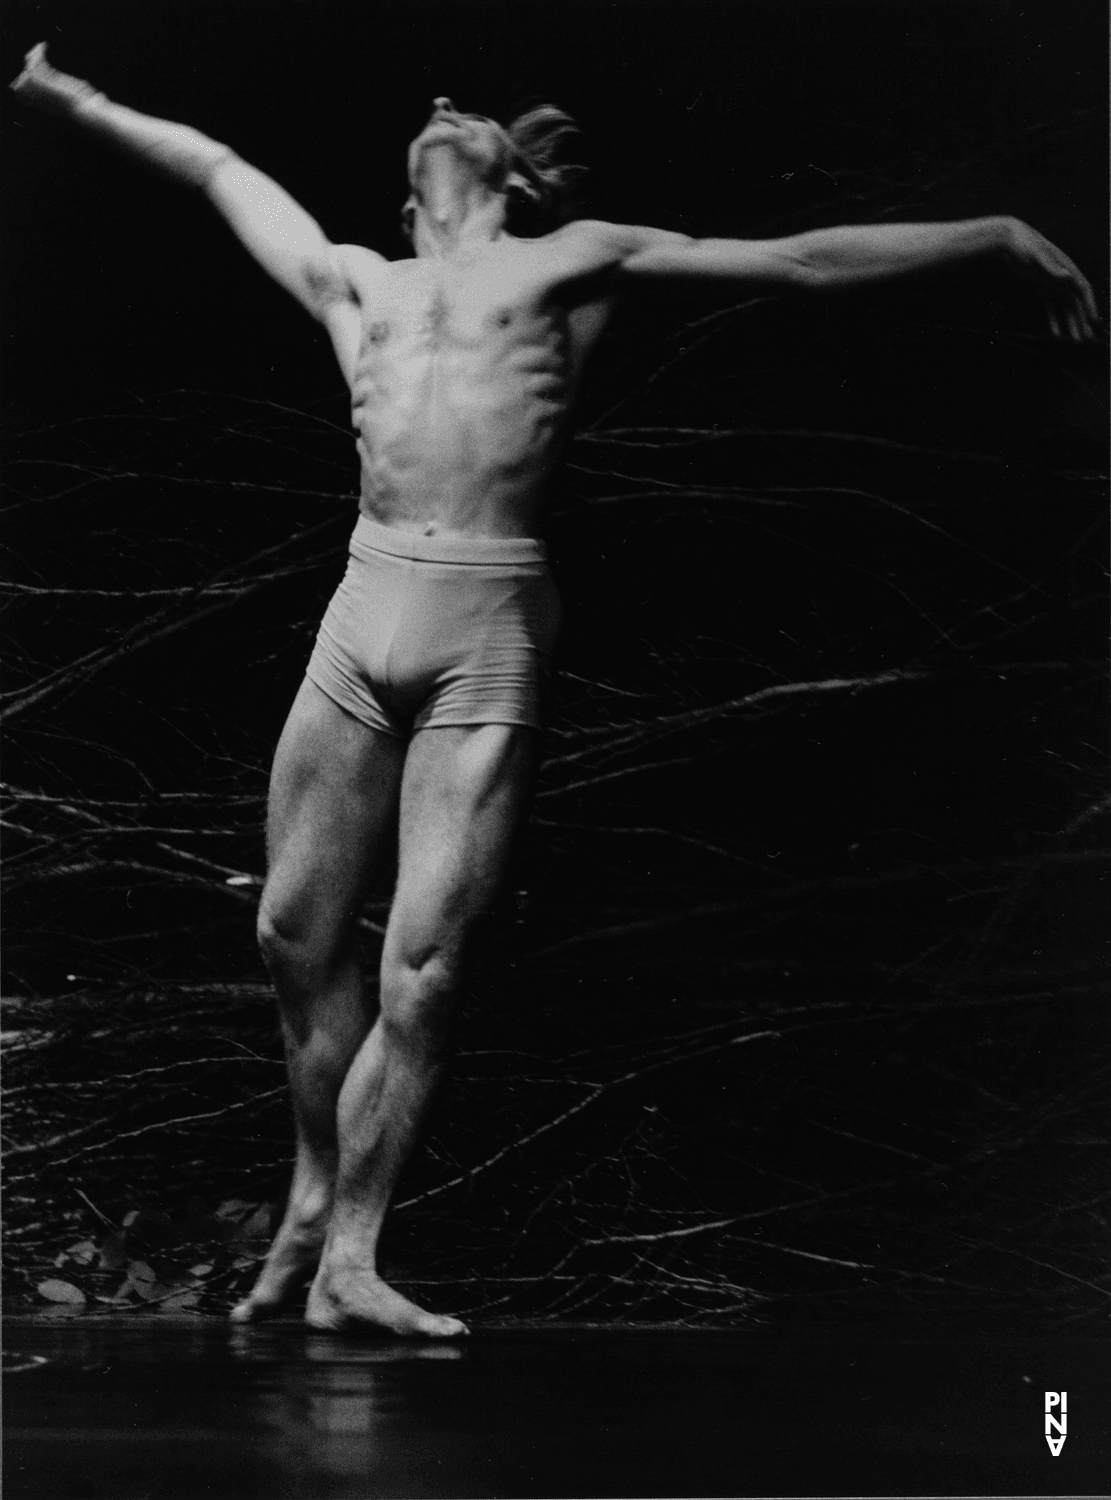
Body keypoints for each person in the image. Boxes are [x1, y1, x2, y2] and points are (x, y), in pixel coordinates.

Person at [11, 42, 1097, 1338]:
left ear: (511, 174)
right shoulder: (357, 282)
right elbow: (218, 167)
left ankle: (352, 1254)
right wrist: (71, 99)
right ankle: (313, 1190)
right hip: (362, 611)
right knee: (290, 938)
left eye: (460, 105)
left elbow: (797, 261)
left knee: (420, 966)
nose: (435, 101)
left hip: (488, 624)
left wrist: (989, 231)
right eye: (426, 106)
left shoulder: (570, 257)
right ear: (403, 186)